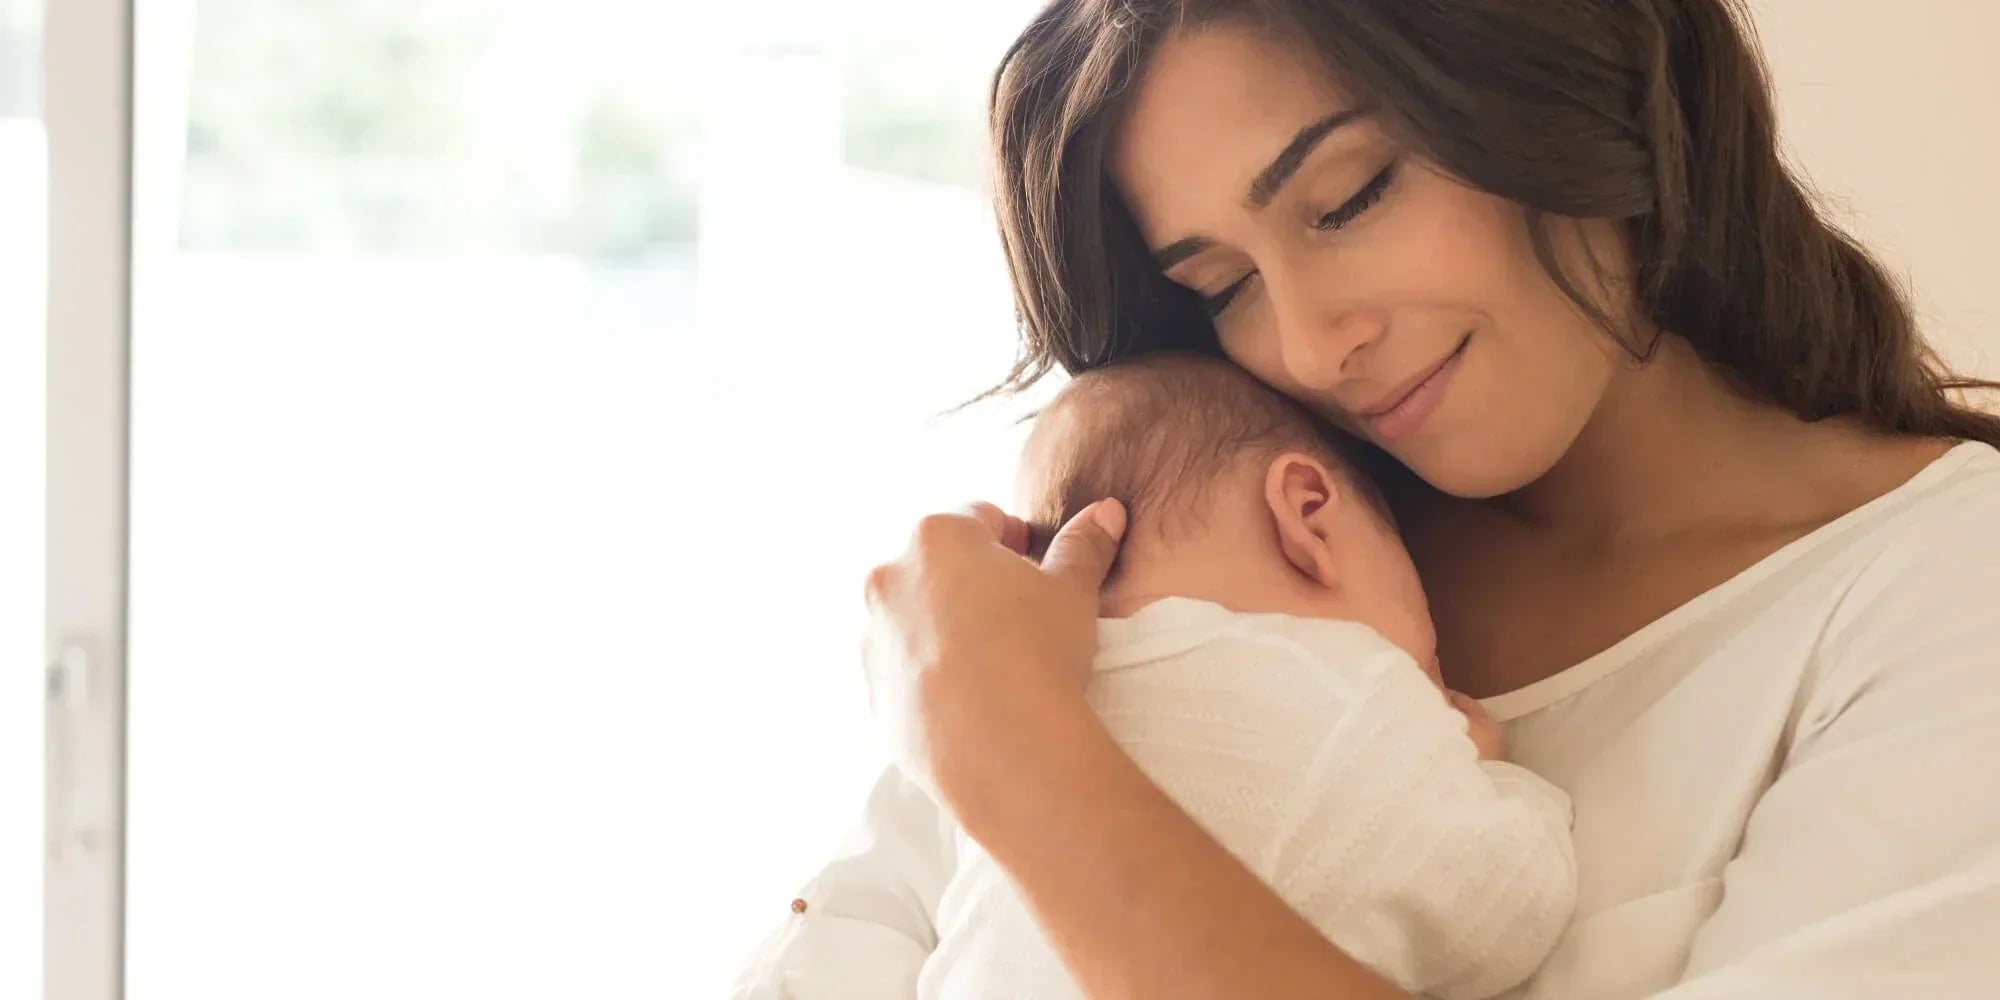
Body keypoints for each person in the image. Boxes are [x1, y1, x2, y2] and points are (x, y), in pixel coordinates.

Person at [753, 1, 2000, 996]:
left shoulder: (1941, 595)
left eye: (1347, 198)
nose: (1306, 344)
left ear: (1563, 81)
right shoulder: (1210, 551)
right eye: (1223, 282)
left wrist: (1013, 757)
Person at [735, 354, 1578, 998]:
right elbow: (1503, 913)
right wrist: (1490, 773)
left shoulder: (991, 710)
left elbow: (853, 931)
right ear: (1310, 514)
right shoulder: (1353, 694)